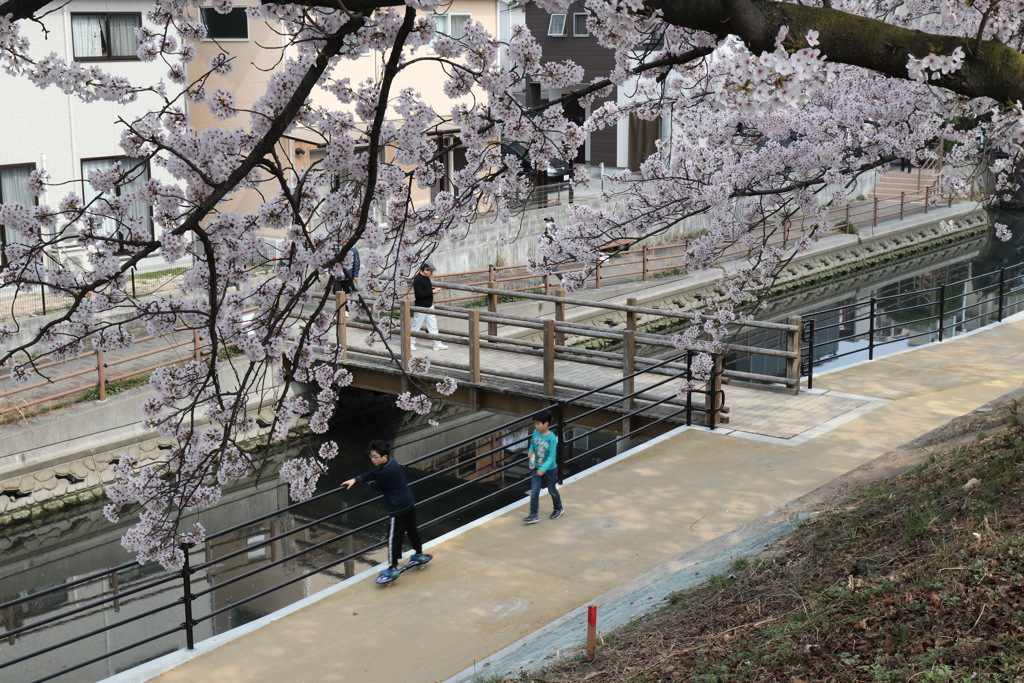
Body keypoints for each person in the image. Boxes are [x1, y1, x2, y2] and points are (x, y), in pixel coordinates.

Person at [341, 440, 429, 579]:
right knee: (412, 529)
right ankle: (419, 553)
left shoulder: (386, 472)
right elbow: (374, 473)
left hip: (397, 508)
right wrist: (357, 479)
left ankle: (393, 567)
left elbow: (377, 485)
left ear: (384, 457)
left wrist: (368, 482)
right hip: (408, 502)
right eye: (371, 456)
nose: (372, 459)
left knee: (393, 538)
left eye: (375, 457)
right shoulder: (391, 463)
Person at [523, 410, 564, 524]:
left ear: (546, 424)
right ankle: (533, 515)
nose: (536, 426)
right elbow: (532, 444)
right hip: (537, 467)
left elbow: (551, 457)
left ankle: (558, 508)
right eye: (535, 423)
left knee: (552, 490)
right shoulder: (536, 433)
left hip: (549, 469)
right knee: (534, 491)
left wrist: (543, 469)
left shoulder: (551, 438)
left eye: (538, 424)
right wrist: (530, 451)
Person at [410, 261, 447, 351]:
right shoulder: (418, 279)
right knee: (416, 326)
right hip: (421, 307)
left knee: (433, 326)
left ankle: (436, 344)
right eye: (430, 271)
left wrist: (434, 289)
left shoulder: (426, 278)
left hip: (429, 306)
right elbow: (419, 295)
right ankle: (410, 343)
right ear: (424, 270)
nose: (431, 273)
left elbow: (426, 289)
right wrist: (432, 291)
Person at [539, 217, 564, 285]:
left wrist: (551, 236)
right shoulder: (545, 231)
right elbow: (539, 239)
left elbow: (558, 239)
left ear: (552, 222)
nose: (547, 223)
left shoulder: (556, 230)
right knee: (545, 266)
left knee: (551, 266)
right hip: (546, 251)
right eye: (546, 222)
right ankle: (545, 282)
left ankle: (562, 278)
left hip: (553, 251)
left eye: (549, 221)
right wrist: (543, 235)